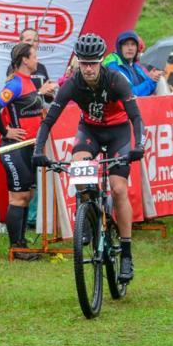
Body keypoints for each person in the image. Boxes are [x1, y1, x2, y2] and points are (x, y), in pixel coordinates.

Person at [33, 34, 145, 282]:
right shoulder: (73, 84)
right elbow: (49, 120)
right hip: (90, 132)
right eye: (84, 63)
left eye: (93, 63)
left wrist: (140, 145)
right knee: (79, 171)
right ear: (78, 62)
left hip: (118, 133)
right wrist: (38, 150)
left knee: (118, 189)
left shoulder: (116, 79)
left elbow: (136, 117)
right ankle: (88, 214)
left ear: (101, 61)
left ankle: (126, 253)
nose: (88, 68)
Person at [0, 43, 47, 256]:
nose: (37, 59)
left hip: (29, 148)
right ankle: (16, 248)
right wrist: (5, 131)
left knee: (27, 195)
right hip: (15, 149)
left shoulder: (29, 81)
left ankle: (22, 243)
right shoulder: (15, 84)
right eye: (34, 56)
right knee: (18, 197)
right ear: (25, 60)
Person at [103, 30, 161, 96]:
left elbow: (147, 87)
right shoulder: (113, 66)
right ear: (120, 48)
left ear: (137, 48)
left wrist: (152, 77)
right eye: (126, 44)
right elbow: (130, 94)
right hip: (124, 102)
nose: (130, 48)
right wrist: (150, 80)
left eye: (133, 44)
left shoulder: (135, 66)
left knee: (160, 80)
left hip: (139, 101)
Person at [18, 28, 58, 102]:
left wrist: (49, 92)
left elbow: (48, 100)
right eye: (28, 40)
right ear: (20, 43)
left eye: (35, 40)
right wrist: (39, 92)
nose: (31, 43)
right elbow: (17, 100)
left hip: (39, 109)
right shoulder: (15, 66)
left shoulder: (41, 67)